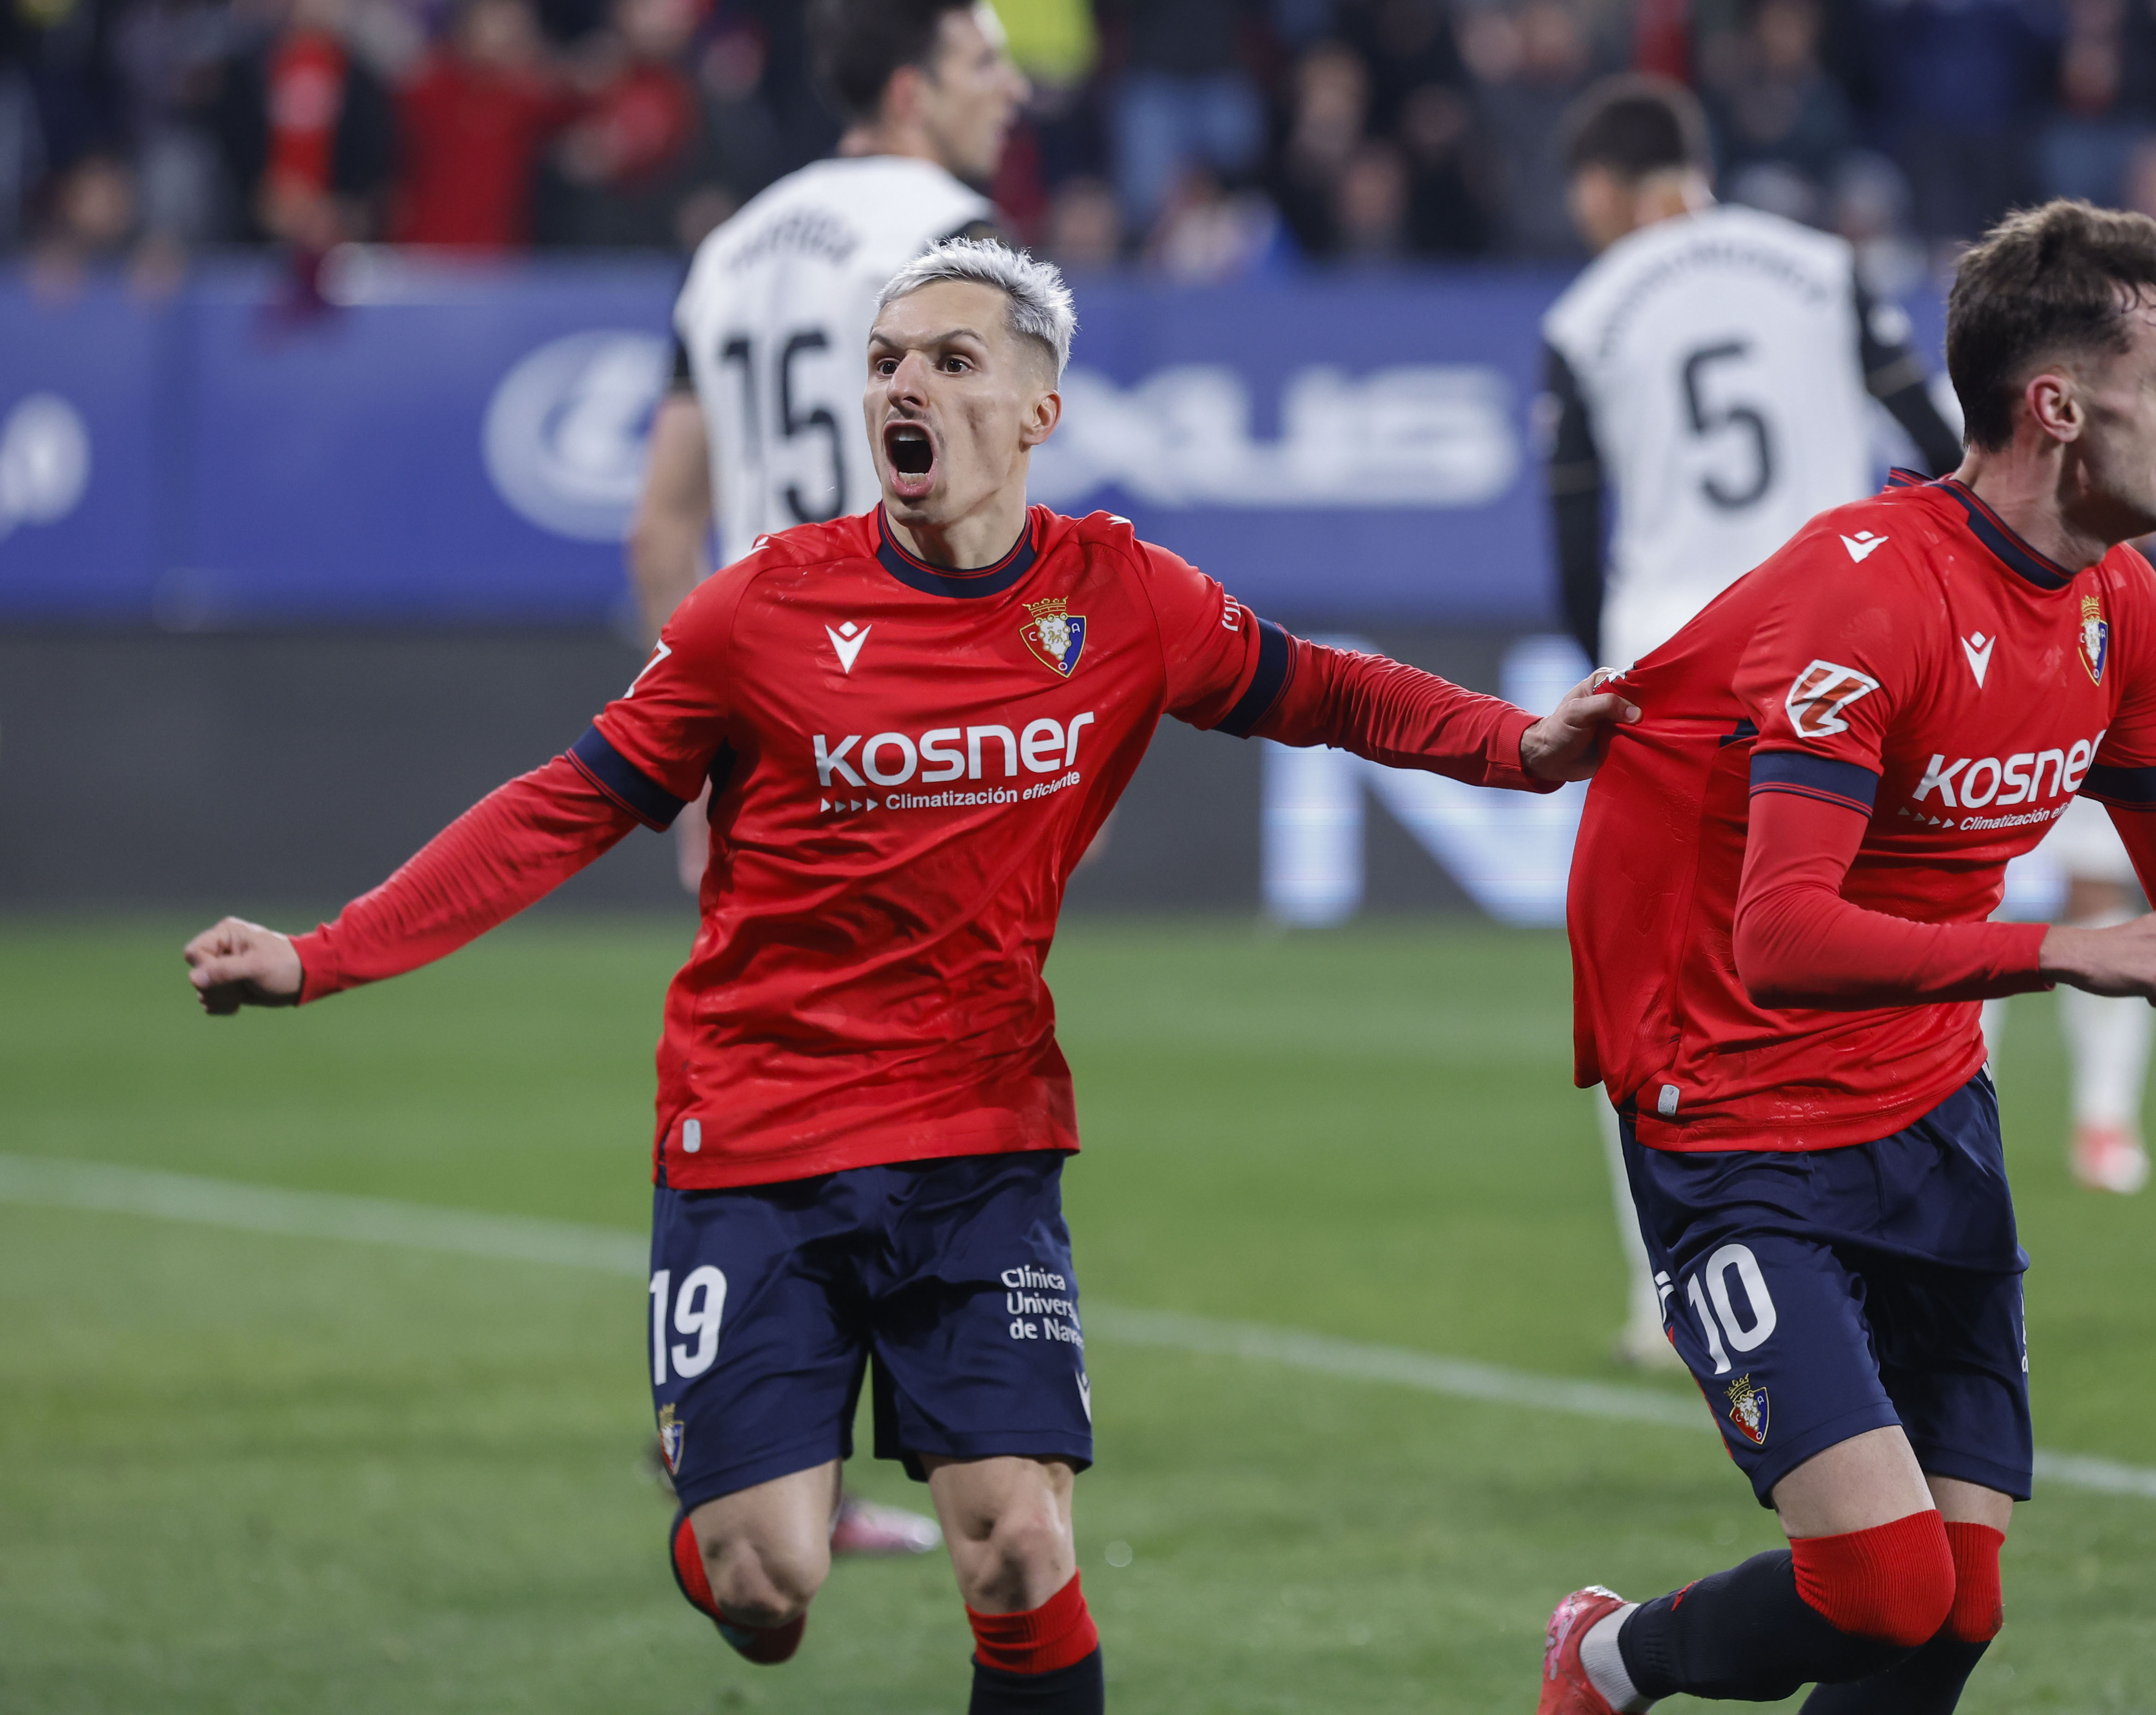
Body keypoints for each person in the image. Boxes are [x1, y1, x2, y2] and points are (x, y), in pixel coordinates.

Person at [185, 240, 1632, 1712]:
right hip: (753, 1136)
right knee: (768, 1584)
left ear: (1034, 413)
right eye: (885, 360)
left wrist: (1515, 749)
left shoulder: (1121, 595)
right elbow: (566, 800)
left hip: (979, 1143)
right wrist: (326, 955)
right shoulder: (761, 610)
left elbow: (1321, 685)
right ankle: (727, 1540)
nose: (905, 383)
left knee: (1015, 1543)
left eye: (949, 359)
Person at [1536, 200, 2156, 1715]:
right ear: (2056, 407)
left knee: (1956, 1606)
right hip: (1732, 1102)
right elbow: (1780, 929)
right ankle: (1610, 1655)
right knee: (1882, 1583)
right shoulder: (1865, 591)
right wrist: (2057, 951)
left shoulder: (2117, 608)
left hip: (1927, 1103)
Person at [1536, 74, 1963, 1368]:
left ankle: (1670, 1298)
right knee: (1874, 951)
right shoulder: (1819, 267)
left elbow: (1571, 521)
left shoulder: (1587, 311)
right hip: (1839, 650)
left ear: (1612, 191)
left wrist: (1591, 676)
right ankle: (1901, 1261)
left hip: (1668, 664)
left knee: (1652, 991)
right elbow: (1929, 430)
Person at [626, 0, 1027, 896]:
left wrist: (690, 769)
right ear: (907, 93)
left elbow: (659, 531)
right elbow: (978, 505)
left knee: (770, 1031)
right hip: (910, 725)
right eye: (983, 66)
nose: (1015, 89)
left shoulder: (729, 252)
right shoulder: (954, 238)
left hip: (757, 728)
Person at [1982, 559, 2156, 1196]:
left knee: (2096, 889)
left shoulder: (2143, 514)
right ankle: (1956, 1112)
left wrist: (2153, 610)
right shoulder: (2032, 477)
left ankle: (2105, 1122)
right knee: (1964, 888)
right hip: (1993, 664)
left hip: (2090, 685)